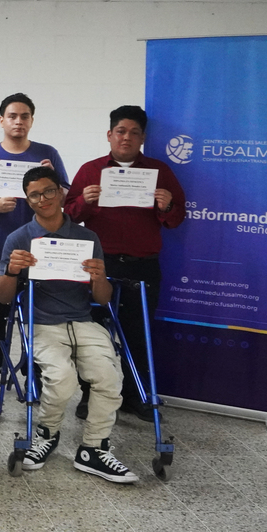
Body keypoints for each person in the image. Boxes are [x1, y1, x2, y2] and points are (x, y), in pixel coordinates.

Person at [0, 166, 137, 484]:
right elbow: (4, 298)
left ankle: (93, 449)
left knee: (109, 377)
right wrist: (11, 272)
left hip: (82, 320)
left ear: (60, 192)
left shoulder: (87, 237)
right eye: (34, 194)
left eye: (48, 191)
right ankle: (46, 433)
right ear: (28, 200)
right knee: (61, 380)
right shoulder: (19, 239)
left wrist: (99, 277)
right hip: (44, 322)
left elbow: (102, 299)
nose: (43, 199)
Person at [64, 105, 185, 421]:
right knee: (93, 335)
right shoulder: (91, 170)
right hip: (99, 265)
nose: (126, 138)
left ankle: (134, 397)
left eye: (134, 132)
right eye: (121, 131)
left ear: (143, 137)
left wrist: (167, 204)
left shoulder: (159, 171)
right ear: (109, 135)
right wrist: (83, 201)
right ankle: (89, 396)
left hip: (142, 266)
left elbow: (176, 219)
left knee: (139, 334)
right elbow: (70, 215)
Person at [0, 93, 68, 395]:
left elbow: (65, 197)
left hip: (40, 254)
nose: (18, 121)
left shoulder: (46, 153)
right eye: (12, 116)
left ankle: (35, 376)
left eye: (25, 116)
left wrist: (54, 180)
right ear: (2, 120)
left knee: (39, 319)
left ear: (31, 120)